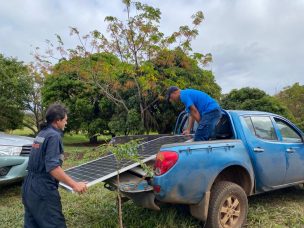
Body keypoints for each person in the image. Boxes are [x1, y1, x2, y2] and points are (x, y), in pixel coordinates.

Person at [22, 103, 87, 228]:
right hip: (42, 190)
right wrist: (75, 185)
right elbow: (52, 168)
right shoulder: (54, 136)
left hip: (28, 187)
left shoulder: (42, 134)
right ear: (58, 120)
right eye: (65, 120)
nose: (66, 123)